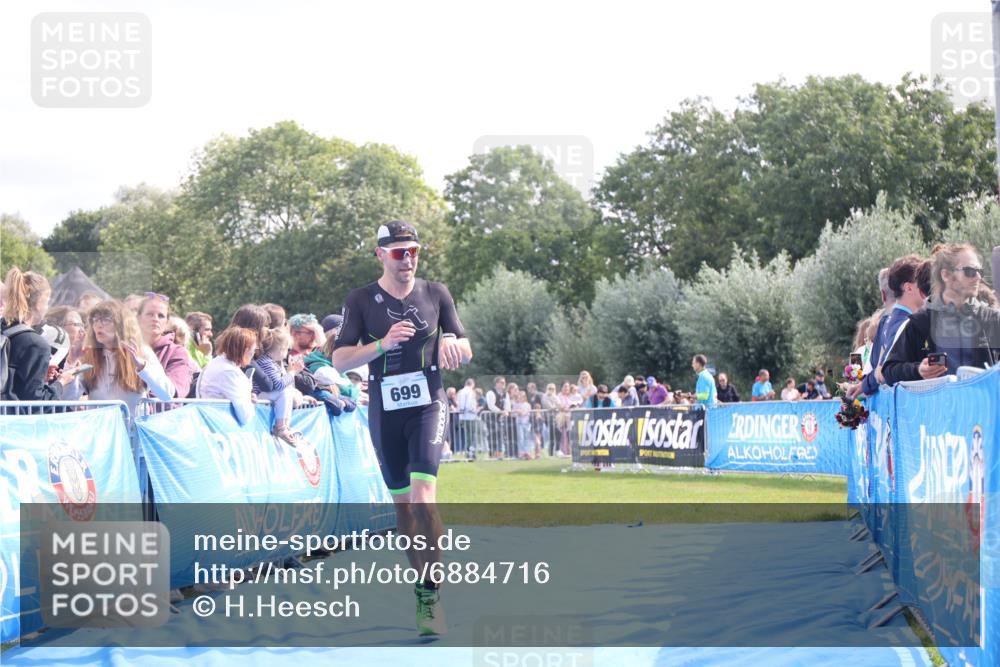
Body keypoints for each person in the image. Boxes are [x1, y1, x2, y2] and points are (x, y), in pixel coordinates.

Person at [331, 219, 472, 637]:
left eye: (413, 250)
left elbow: (465, 344)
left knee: (423, 496)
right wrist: (383, 344)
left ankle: (432, 595)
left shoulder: (436, 293)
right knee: (404, 508)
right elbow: (340, 360)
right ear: (380, 255)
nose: (407, 258)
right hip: (384, 408)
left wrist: (452, 344)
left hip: (429, 402)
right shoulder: (359, 301)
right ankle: (422, 587)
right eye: (398, 252)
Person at [883, 243, 1000, 384]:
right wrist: (918, 370)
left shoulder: (992, 319)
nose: (978, 277)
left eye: (979, 271)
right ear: (946, 275)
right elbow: (889, 371)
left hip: (983, 405)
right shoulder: (921, 322)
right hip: (938, 405)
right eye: (970, 271)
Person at [65, 300, 174, 419]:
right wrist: (71, 362)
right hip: (101, 432)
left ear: (122, 324)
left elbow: (167, 394)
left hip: (132, 433)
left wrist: (142, 367)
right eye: (95, 319)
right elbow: (68, 398)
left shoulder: (142, 352)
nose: (98, 325)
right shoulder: (89, 355)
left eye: (106, 320)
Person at [847, 255, 928, 399]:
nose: (927, 286)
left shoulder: (885, 321)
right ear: (908, 287)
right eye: (922, 281)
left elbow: (878, 366)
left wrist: (863, 386)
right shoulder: (904, 323)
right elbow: (883, 369)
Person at [1, 268, 75, 400]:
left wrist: (39, 375)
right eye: (47, 302)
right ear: (39, 304)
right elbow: (37, 402)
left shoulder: (3, 329)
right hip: (14, 419)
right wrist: (61, 382)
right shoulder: (36, 344)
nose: (47, 307)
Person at [250, 327, 303, 443]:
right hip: (258, 396)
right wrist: (292, 372)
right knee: (283, 392)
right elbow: (279, 385)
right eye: (286, 349)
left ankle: (285, 425)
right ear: (280, 349)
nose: (287, 353)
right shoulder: (266, 362)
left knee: (287, 392)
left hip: (263, 395)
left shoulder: (271, 362)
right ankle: (280, 427)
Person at [197, 327, 258, 426]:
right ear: (246, 350)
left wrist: (247, 397)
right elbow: (245, 416)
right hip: (218, 426)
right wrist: (250, 403)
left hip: (213, 422)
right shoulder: (229, 371)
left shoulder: (220, 363)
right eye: (254, 350)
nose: (254, 353)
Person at [137, 293, 194, 399]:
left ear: (167, 322)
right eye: (150, 314)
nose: (155, 319)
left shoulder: (177, 352)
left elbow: (175, 392)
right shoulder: (126, 348)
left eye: (161, 316)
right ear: (139, 318)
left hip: (164, 414)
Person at [511, 387, 533, 459]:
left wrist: (521, 413)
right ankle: (521, 452)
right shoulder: (515, 404)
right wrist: (517, 413)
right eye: (520, 395)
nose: (521, 397)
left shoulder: (527, 404)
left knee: (527, 438)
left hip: (526, 423)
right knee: (521, 438)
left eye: (523, 396)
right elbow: (513, 414)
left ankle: (527, 452)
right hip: (519, 423)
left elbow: (527, 412)